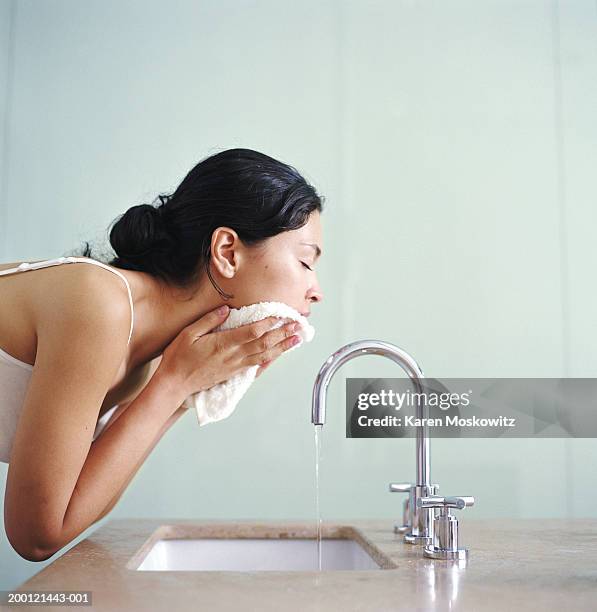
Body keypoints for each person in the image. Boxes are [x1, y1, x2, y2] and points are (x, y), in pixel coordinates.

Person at [0, 148, 324, 562]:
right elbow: (36, 535)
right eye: (305, 261)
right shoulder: (99, 303)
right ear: (227, 251)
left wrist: (188, 389)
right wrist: (173, 387)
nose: (316, 291)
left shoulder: (151, 357)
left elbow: (71, 512)